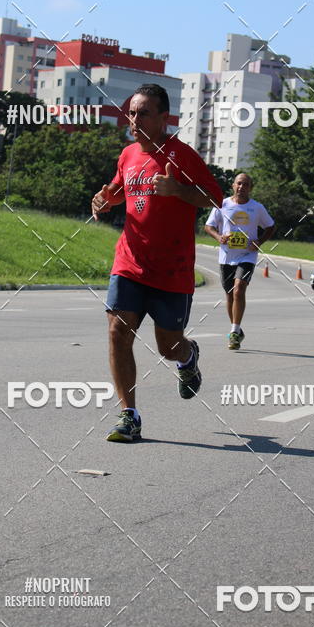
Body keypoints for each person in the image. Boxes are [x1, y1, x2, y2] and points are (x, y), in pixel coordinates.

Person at [91, 83, 223, 442]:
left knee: (168, 347)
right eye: (132, 113)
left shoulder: (182, 155)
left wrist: (178, 190)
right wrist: (103, 201)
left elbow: (215, 197)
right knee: (118, 331)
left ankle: (188, 357)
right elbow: (118, 191)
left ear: (164, 118)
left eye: (144, 113)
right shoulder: (128, 155)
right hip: (130, 262)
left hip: (172, 271)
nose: (134, 120)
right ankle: (128, 415)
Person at [204, 173, 274, 350]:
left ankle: (234, 331)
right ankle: (237, 329)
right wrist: (219, 237)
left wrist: (259, 241)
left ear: (251, 188)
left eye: (246, 184)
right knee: (229, 294)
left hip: (247, 256)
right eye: (239, 183)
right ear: (233, 185)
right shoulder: (223, 204)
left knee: (239, 289)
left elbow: (270, 226)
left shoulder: (257, 208)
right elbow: (208, 226)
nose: (242, 187)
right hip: (226, 256)